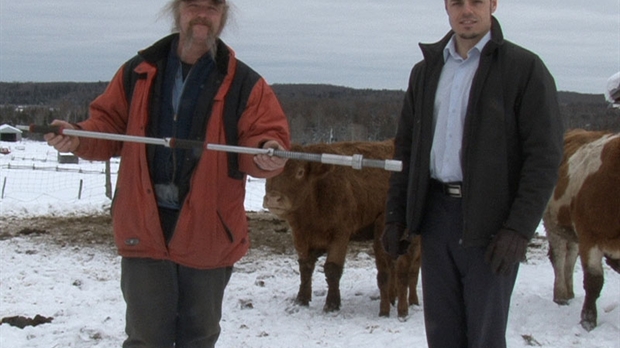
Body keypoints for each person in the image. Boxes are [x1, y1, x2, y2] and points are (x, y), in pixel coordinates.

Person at [44, 0, 290, 347]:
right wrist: (78, 136)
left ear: (224, 16)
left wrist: (267, 153)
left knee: (199, 337)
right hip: (144, 223)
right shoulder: (138, 71)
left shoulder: (246, 83)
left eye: (213, 7)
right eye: (193, 5)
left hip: (210, 227)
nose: (202, 13)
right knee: (146, 337)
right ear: (176, 11)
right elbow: (107, 127)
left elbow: (264, 139)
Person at [382, 1, 564, 347]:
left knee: (484, 336)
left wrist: (518, 229)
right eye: (457, 3)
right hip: (437, 219)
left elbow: (544, 157)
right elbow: (406, 150)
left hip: (492, 226)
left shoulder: (523, 69)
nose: (467, 10)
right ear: (446, 8)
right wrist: (397, 215)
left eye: (477, 1)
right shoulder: (427, 71)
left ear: (493, 4)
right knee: (442, 334)